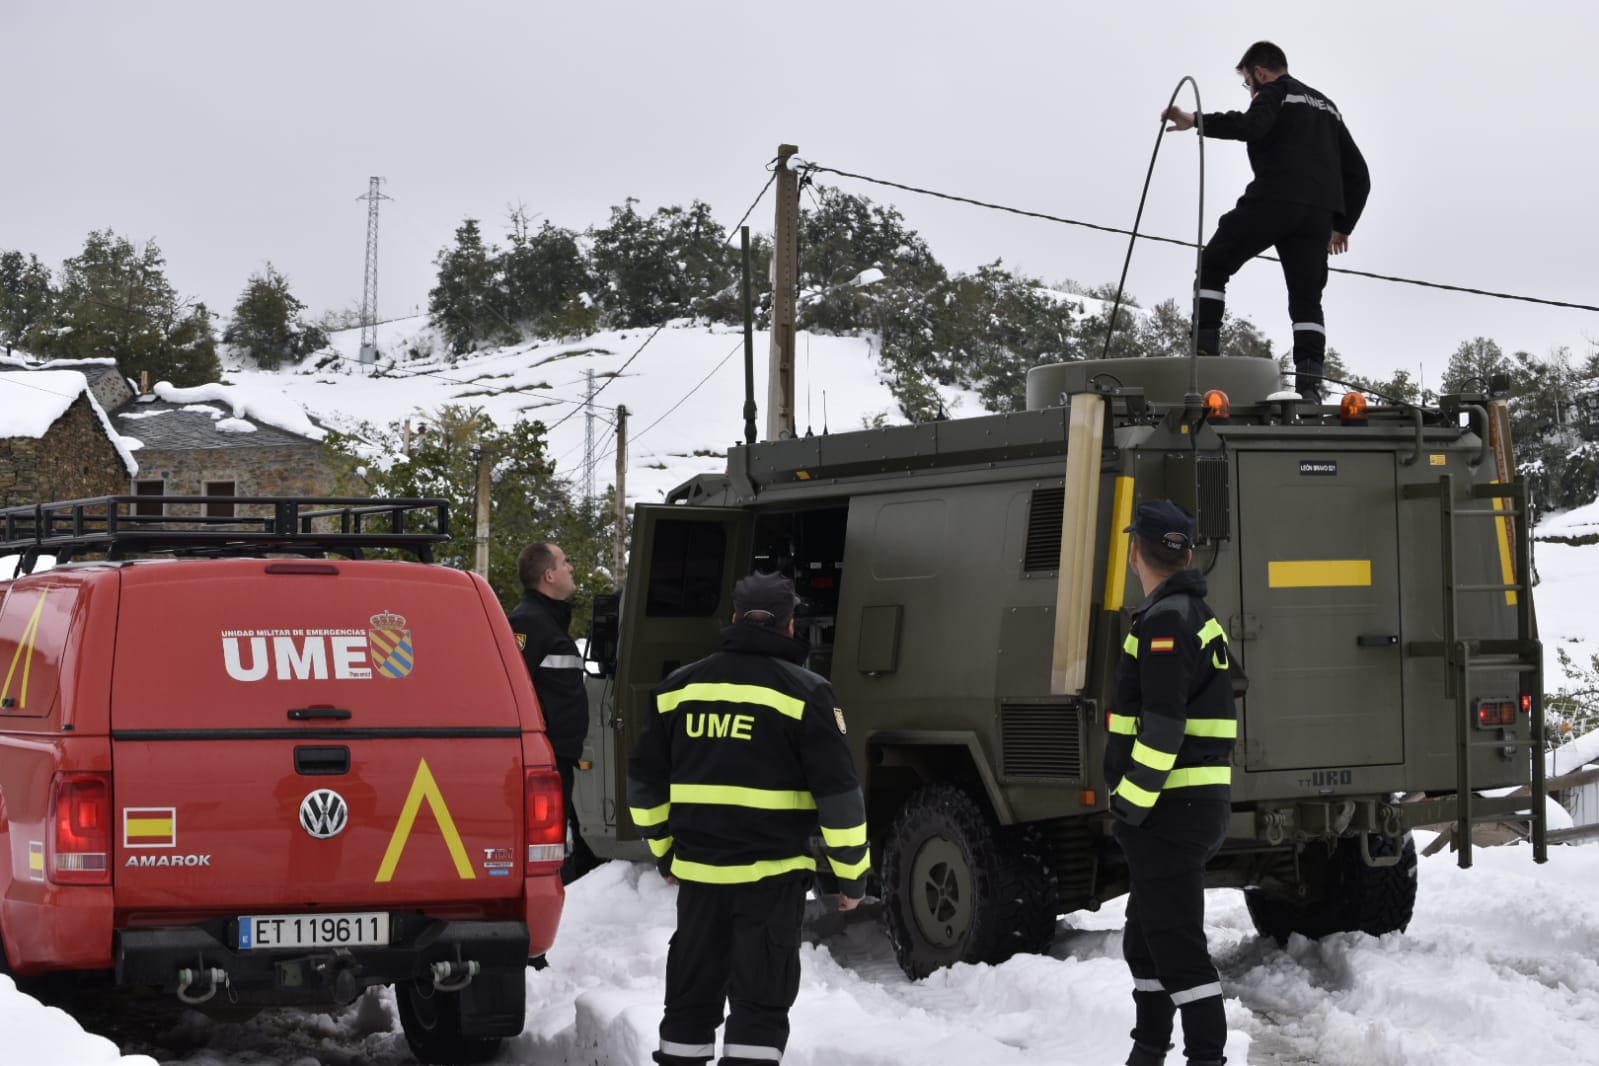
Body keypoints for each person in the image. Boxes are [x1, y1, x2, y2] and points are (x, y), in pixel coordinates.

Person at [628, 571, 869, 1066]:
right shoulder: (808, 693)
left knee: (689, 1001)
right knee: (759, 1007)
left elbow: (645, 785)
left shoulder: (679, 688)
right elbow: (840, 798)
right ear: (789, 625)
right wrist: (851, 876)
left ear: (734, 618)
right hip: (771, 881)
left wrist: (665, 853)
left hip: (698, 878)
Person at [1161, 41, 1370, 404]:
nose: (1249, 90)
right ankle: (1309, 386)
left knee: (1213, 263)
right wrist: (1343, 225)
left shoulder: (1275, 93)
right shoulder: (1328, 107)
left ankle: (1206, 356)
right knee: (1306, 299)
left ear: (1258, 73)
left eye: (1247, 83)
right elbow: (1360, 174)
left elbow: (1251, 127)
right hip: (1318, 216)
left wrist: (1196, 121)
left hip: (1274, 199)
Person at [1105, 501, 1238, 1066]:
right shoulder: (1189, 613)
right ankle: (1149, 1049)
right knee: (1147, 937)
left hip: (1169, 809)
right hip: (1184, 806)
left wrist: (1129, 804)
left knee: (1177, 943)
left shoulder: (1166, 621)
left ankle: (1205, 1057)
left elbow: (1161, 726)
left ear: (1137, 552)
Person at [507, 541, 602, 884]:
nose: (570, 568)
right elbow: (510, 692)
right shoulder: (527, 625)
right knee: (543, 851)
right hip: (542, 758)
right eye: (564, 563)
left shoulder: (549, 622)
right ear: (549, 575)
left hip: (559, 757)